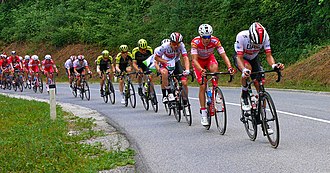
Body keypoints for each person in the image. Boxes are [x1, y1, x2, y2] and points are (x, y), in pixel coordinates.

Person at [233, 22, 284, 126]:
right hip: (242, 57)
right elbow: (239, 57)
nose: (256, 46)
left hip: (254, 58)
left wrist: (274, 66)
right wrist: (243, 70)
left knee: (260, 85)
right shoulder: (241, 36)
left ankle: (262, 115)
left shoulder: (265, 37)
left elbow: (268, 55)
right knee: (248, 70)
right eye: (255, 44)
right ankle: (244, 94)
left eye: (258, 45)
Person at [191, 24, 235, 126]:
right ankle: (203, 113)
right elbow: (194, 59)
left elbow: (223, 55)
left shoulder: (215, 41)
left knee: (215, 69)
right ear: (201, 36)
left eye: (209, 37)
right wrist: (201, 69)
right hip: (199, 62)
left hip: (209, 59)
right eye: (205, 37)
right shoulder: (195, 42)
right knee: (202, 85)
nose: (207, 39)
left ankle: (214, 92)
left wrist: (229, 67)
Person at [154, 32, 190, 108]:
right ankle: (169, 93)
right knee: (164, 73)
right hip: (166, 62)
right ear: (170, 42)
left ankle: (185, 101)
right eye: (174, 43)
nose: (176, 46)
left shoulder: (181, 46)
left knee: (184, 82)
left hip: (176, 62)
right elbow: (156, 58)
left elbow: (185, 57)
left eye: (178, 43)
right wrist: (164, 62)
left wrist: (187, 69)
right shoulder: (164, 47)